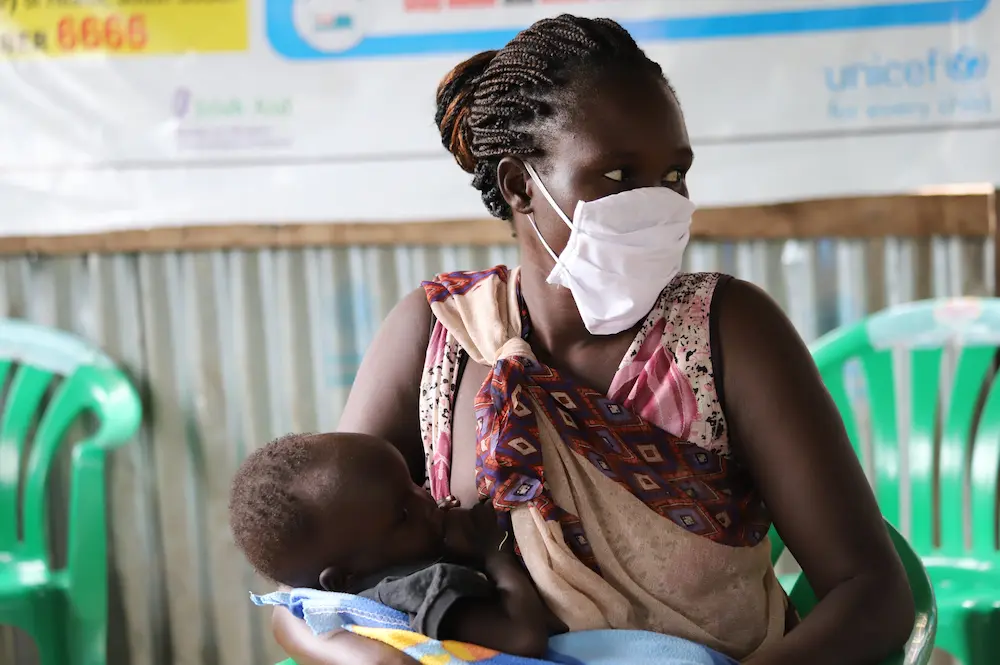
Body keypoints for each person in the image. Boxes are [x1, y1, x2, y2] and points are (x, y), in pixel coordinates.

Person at [273, 14, 915, 665]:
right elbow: (306, 590)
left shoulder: (729, 333)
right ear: (521, 185)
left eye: (673, 175)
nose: (656, 202)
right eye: (615, 175)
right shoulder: (438, 333)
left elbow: (873, 592)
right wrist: (384, 661)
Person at [230, 432, 552, 657]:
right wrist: (494, 551)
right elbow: (524, 638)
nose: (428, 500)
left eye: (414, 483)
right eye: (403, 514)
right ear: (342, 580)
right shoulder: (421, 590)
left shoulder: (371, 563)